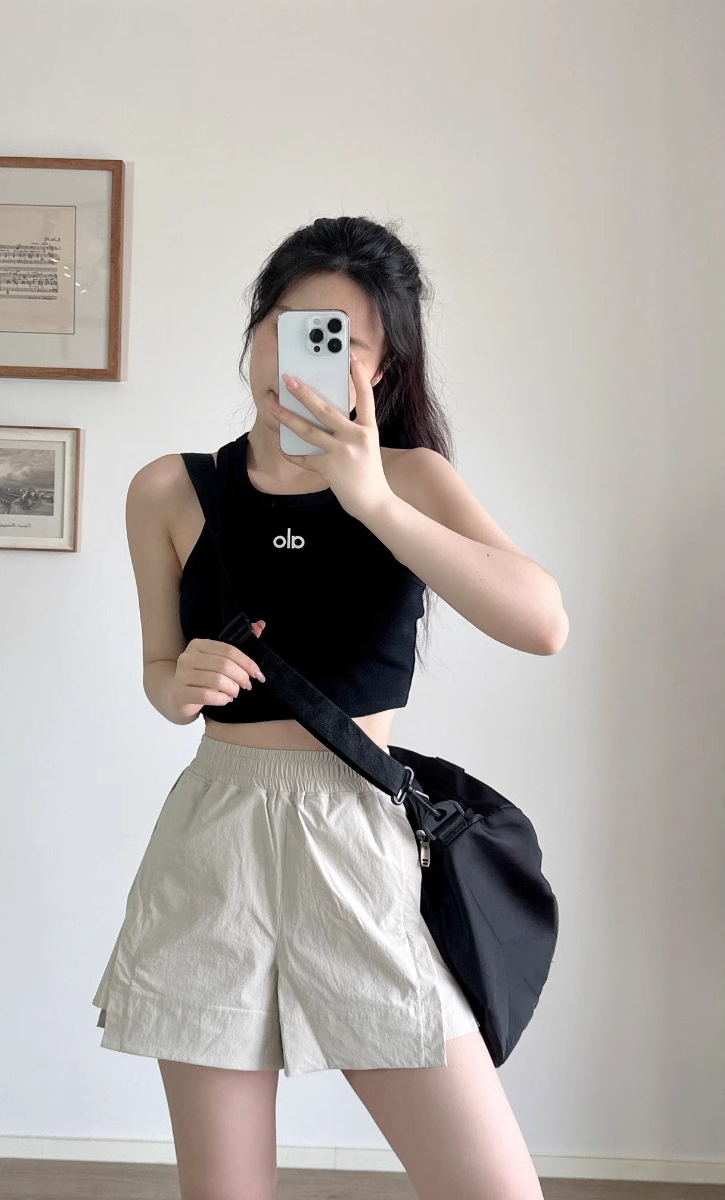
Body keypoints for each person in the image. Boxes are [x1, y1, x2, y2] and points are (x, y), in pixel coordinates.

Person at [92, 216, 567, 1200]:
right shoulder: (169, 490)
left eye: (342, 338)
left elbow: (542, 622)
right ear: (256, 328)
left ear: (382, 368)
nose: (301, 352)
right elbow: (158, 671)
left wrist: (373, 500)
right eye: (288, 321)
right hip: (215, 838)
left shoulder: (411, 481)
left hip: (356, 836)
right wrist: (179, 684)